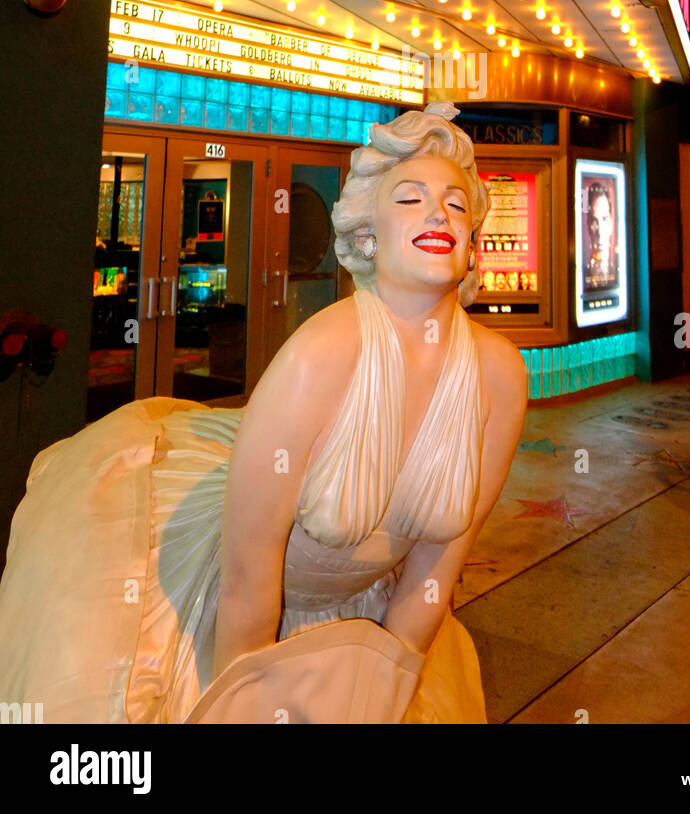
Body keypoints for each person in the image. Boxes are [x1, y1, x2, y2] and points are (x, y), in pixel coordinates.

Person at [0, 102, 527, 723]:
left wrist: (386, 686)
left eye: (457, 205)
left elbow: (436, 571)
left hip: (369, 627)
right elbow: (248, 586)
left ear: (470, 244)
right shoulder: (319, 358)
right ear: (367, 235)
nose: (439, 213)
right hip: (236, 626)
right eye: (410, 199)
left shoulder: (497, 376)